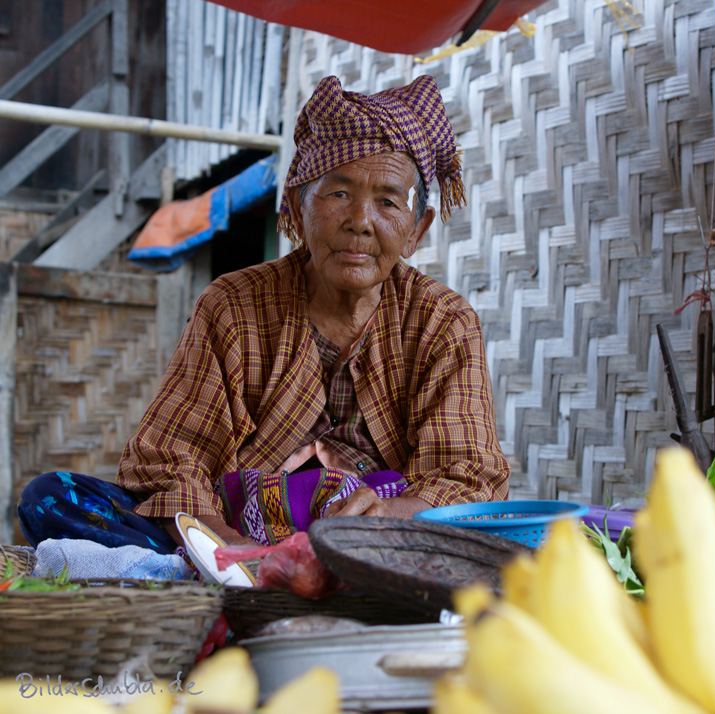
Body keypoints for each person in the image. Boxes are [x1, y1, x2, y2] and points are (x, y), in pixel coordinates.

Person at [18, 75, 510, 552]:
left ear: (416, 229)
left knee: (505, 533)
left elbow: (469, 478)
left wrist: (391, 517)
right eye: (338, 194)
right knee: (54, 499)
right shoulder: (233, 304)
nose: (360, 222)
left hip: (379, 547)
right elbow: (170, 459)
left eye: (387, 201)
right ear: (297, 205)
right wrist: (230, 552)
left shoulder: (442, 322)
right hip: (236, 541)